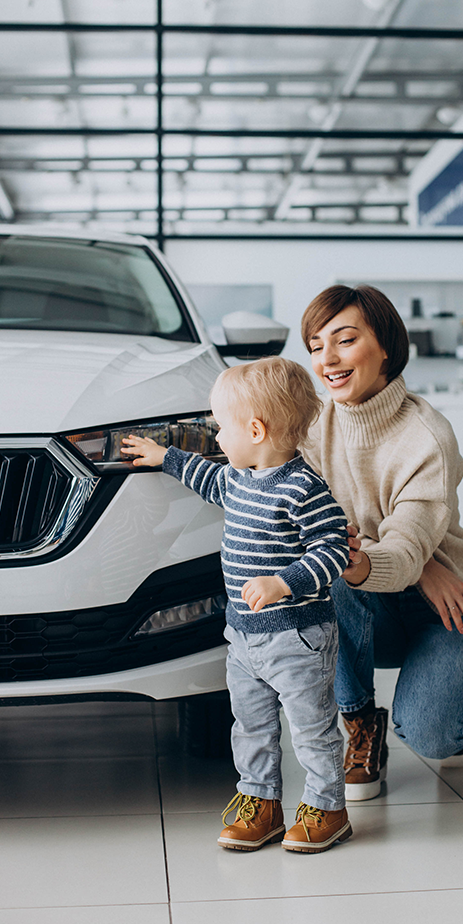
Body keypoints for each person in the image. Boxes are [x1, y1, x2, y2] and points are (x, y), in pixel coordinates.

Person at [120, 357, 353, 853]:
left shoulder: (303, 488)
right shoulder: (239, 479)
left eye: (221, 427)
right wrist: (165, 456)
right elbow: (205, 476)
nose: (217, 437)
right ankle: (261, 803)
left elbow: (335, 548)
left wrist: (284, 582)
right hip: (243, 637)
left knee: (311, 728)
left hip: (297, 635)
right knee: (251, 727)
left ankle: (328, 807)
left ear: (255, 430)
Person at [300, 284, 463, 801]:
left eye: (345, 340)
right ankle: (361, 725)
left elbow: (407, 540)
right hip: (370, 598)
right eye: (316, 346)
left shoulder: (426, 436)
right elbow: (307, 521)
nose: (327, 359)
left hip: (447, 607)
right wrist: (419, 565)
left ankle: (457, 716)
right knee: (329, 571)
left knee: (434, 738)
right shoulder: (313, 428)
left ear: (386, 346)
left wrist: (416, 561)